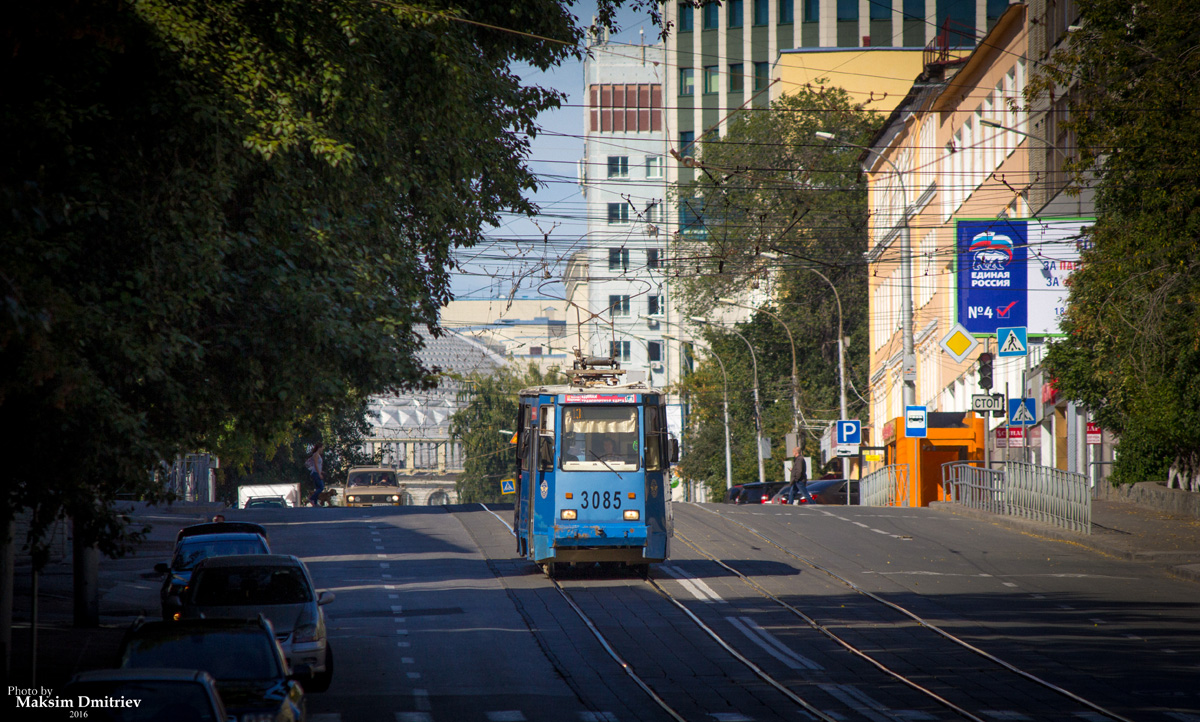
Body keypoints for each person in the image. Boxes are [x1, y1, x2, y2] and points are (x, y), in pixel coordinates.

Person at [305, 442, 325, 507]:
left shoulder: (318, 455)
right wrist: (319, 474)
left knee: (317, 488)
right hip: (315, 473)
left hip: (317, 472)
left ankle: (315, 502)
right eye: (322, 447)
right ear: (319, 448)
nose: (323, 449)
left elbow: (318, 465)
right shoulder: (316, 454)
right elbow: (316, 465)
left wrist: (321, 471)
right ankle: (311, 498)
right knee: (321, 487)